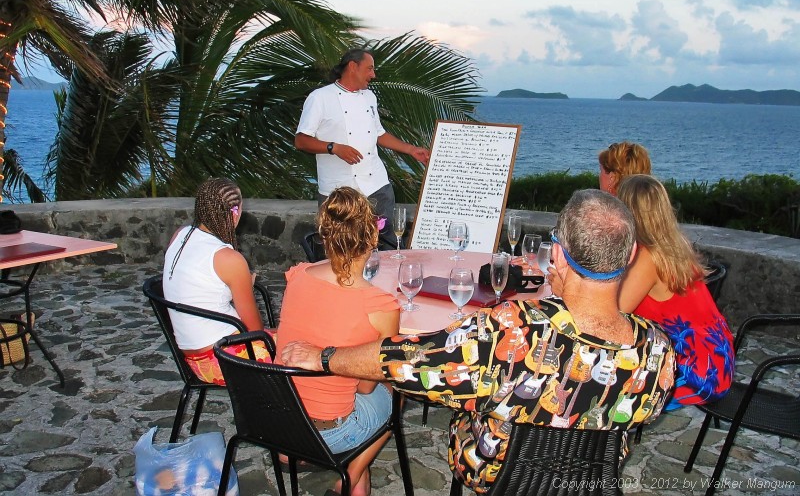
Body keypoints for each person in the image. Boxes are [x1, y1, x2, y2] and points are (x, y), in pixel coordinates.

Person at [282, 189, 676, 495]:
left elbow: (410, 362)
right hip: (590, 479)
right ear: (631, 255)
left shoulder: (510, 329)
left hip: (498, 469)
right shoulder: (659, 352)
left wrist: (325, 356)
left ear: (556, 254)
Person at [275, 187, 400, 496]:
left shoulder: (298, 274)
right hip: (329, 433)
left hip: (277, 420)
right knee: (399, 383)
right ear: (373, 238)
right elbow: (366, 387)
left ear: (325, 234)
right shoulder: (380, 306)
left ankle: (354, 476)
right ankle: (347, 477)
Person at [616, 174, 734, 410]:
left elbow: (612, 315)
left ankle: (599, 440)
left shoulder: (648, 258)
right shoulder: (673, 245)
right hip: (718, 360)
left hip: (695, 374)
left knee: (601, 379)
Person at [295, 48, 430, 246]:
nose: (373, 75)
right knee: (338, 247)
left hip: (377, 187)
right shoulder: (320, 98)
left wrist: (410, 149)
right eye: (369, 69)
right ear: (352, 66)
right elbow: (300, 140)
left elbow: (379, 134)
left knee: (386, 245)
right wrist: (334, 148)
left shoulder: (369, 97)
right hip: (338, 191)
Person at [162, 177, 271, 385]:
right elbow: (255, 332)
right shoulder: (228, 259)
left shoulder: (180, 235)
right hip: (225, 360)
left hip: (193, 356)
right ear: (235, 213)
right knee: (300, 348)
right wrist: (245, 286)